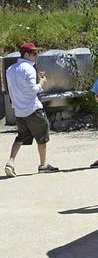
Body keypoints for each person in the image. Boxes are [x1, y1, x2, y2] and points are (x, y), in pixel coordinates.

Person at [4, 42, 58, 177]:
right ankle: (43, 164)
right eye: (34, 53)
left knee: (21, 136)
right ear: (26, 55)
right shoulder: (28, 69)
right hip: (33, 109)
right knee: (42, 136)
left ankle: (10, 162)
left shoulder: (9, 70)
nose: (36, 56)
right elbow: (32, 90)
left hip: (19, 110)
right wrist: (41, 83)